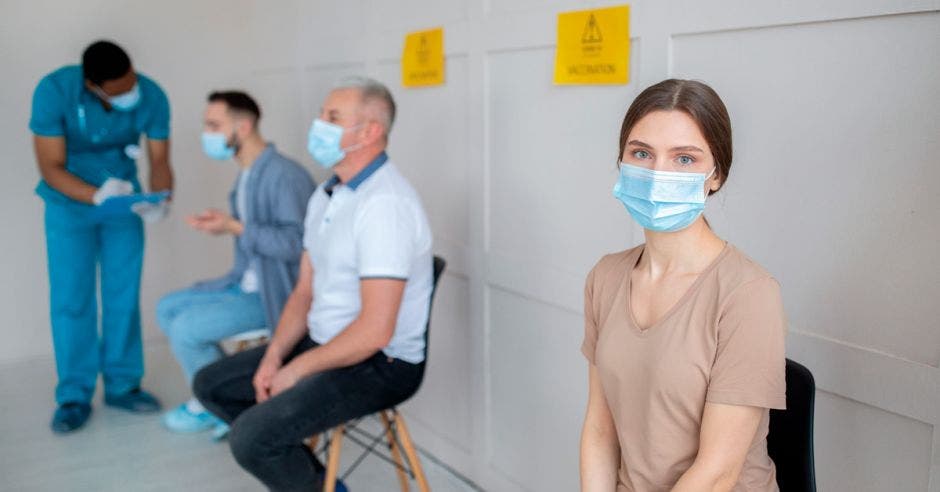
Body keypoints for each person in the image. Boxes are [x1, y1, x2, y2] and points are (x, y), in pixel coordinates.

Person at [193, 76, 433, 491]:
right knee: (211, 386)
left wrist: (296, 371)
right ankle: (318, 483)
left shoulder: (384, 206)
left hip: (380, 364)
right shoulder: (327, 195)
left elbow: (376, 330)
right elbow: (304, 291)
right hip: (325, 339)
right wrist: (275, 356)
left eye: (332, 117)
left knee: (251, 439)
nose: (318, 123)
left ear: (370, 132)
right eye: (322, 114)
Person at [579, 79, 787, 491]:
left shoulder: (749, 293)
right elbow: (600, 433)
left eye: (685, 159)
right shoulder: (605, 276)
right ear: (621, 162)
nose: (658, 174)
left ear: (716, 176)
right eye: (642, 153)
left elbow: (717, 474)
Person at [30, 40, 173, 433]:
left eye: (131, 83)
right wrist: (95, 195)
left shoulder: (151, 94)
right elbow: (50, 167)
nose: (131, 92)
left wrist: (160, 197)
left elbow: (159, 159)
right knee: (71, 299)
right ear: (92, 86)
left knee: (122, 294)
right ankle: (74, 395)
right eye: (120, 89)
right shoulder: (53, 92)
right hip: (68, 208)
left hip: (123, 205)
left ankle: (123, 385)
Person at [157, 91, 316, 437]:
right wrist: (226, 226)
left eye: (214, 125)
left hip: (277, 297)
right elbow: (255, 236)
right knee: (166, 308)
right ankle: (225, 399)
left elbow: (299, 246)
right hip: (242, 282)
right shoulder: (246, 175)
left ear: (243, 126)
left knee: (186, 328)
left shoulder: (285, 176)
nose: (207, 134)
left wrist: (236, 227)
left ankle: (213, 406)